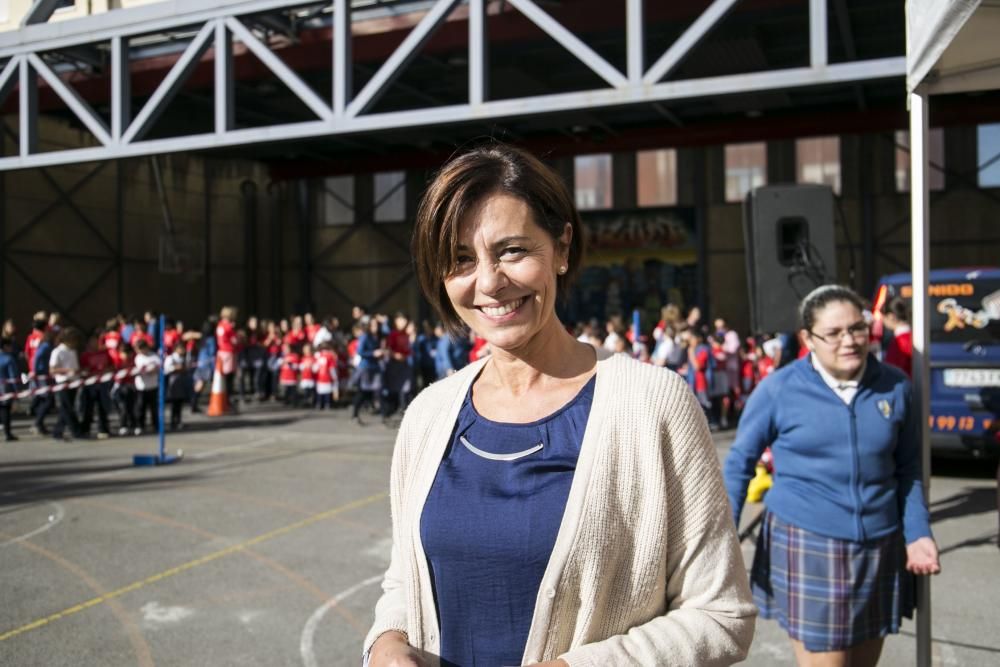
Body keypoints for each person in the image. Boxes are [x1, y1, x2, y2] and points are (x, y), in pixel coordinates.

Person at [364, 145, 755, 666]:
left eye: (512, 250)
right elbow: (403, 580)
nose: (488, 282)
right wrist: (387, 642)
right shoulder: (428, 414)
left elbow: (721, 616)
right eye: (460, 259)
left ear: (562, 247)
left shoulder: (652, 404)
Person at [723, 285, 940, 666]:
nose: (850, 341)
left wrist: (919, 532)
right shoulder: (779, 389)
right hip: (809, 544)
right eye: (835, 333)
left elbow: (909, 469)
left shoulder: (896, 386)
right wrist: (721, 545)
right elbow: (739, 463)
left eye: (857, 329)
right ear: (808, 338)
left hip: (881, 545)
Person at [50, 327, 84, 441]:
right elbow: (52, 369)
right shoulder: (57, 351)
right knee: (68, 408)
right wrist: (67, 371)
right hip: (63, 382)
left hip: (73, 382)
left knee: (66, 408)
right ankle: (76, 431)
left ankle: (57, 431)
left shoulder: (72, 351)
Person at [881, 296, 912, 378]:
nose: (882, 321)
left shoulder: (899, 341)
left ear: (891, 317)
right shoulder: (910, 337)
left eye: (883, 317)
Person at [0, 337, 21, 441]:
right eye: (10, 346)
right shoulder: (8, 358)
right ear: (5, 346)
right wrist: (17, 391)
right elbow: (14, 376)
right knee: (5, 410)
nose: (12, 348)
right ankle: (8, 434)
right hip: (5, 389)